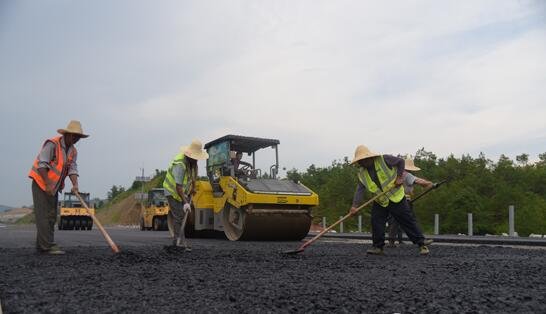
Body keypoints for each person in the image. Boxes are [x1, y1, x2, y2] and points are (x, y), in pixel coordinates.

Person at [348, 145, 429, 255]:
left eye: (363, 160)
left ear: (369, 158)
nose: (362, 162)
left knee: (406, 220)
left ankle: (421, 244)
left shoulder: (384, 159)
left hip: (396, 197)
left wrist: (399, 177)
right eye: (360, 161)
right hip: (380, 200)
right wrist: (354, 206)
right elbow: (360, 190)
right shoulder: (362, 173)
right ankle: (378, 247)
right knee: (376, 221)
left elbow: (401, 162)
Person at [28, 120, 89, 255]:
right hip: (41, 183)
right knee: (43, 216)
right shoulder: (52, 144)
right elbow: (41, 165)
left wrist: (75, 185)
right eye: (74, 136)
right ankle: (47, 246)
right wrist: (48, 184)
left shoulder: (73, 151)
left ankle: (43, 245)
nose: (76, 139)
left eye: (78, 137)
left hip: (53, 187)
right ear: (67, 134)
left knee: (51, 216)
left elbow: (72, 168)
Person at [163, 139, 209, 250]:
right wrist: (185, 202)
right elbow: (178, 186)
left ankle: (181, 243)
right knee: (179, 216)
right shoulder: (180, 165)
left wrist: (193, 188)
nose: (197, 160)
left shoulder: (193, 163)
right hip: (172, 191)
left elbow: (193, 177)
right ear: (190, 155)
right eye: (196, 157)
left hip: (181, 191)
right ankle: (177, 244)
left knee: (182, 216)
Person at [387, 158, 434, 247]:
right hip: (405, 201)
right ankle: (421, 241)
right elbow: (419, 181)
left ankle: (391, 241)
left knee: (395, 221)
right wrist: (430, 184)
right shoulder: (407, 175)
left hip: (393, 200)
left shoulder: (396, 174)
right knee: (411, 221)